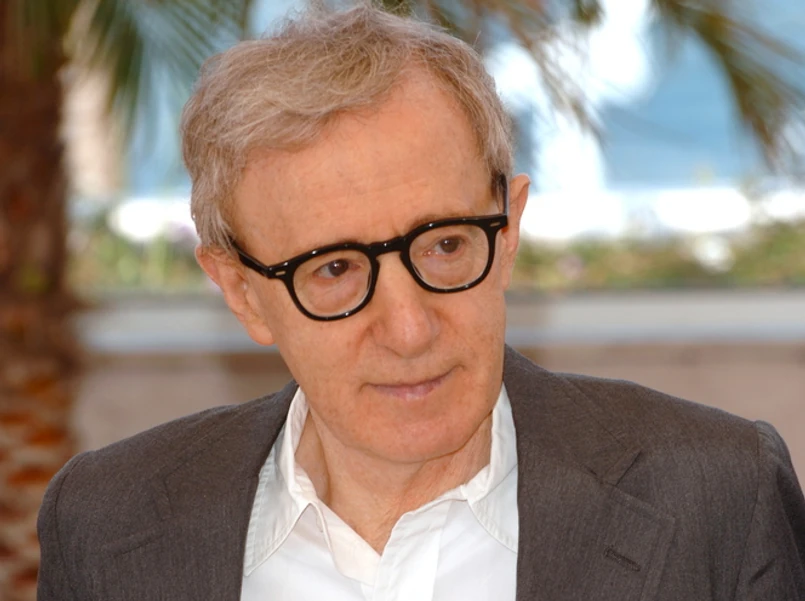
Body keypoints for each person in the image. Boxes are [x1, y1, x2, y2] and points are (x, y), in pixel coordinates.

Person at [38, 3, 805, 600]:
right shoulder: (107, 524)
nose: (408, 329)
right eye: (334, 269)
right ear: (242, 292)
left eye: (443, 246)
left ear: (507, 229)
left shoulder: (717, 495)